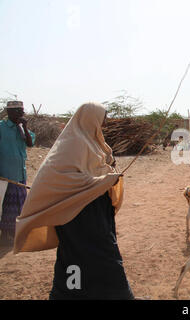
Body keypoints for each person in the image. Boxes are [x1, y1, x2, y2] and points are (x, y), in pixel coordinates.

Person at [14, 103, 134, 300]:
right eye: (101, 118)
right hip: (77, 213)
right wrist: (103, 180)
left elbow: (95, 170)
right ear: (90, 118)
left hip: (94, 209)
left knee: (89, 255)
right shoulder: (71, 145)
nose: (104, 123)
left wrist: (108, 170)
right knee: (94, 254)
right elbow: (64, 178)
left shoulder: (93, 141)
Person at [0, 101, 35, 246]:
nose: (20, 115)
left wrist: (24, 127)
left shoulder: (22, 129)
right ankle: (5, 234)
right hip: (5, 174)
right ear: (9, 112)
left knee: (19, 205)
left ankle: (15, 234)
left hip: (20, 174)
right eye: (17, 112)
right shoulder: (1, 127)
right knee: (5, 206)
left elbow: (30, 143)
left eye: (22, 112)